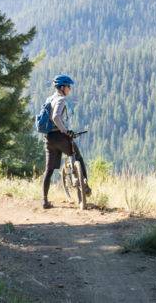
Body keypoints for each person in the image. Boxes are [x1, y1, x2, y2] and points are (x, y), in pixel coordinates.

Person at [42, 74, 91, 209]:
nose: (70, 89)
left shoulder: (49, 99)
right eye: (69, 86)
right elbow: (56, 117)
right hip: (59, 136)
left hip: (48, 138)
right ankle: (85, 185)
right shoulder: (60, 99)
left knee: (49, 170)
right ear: (62, 87)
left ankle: (45, 201)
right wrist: (65, 130)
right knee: (78, 156)